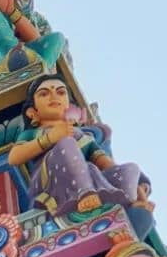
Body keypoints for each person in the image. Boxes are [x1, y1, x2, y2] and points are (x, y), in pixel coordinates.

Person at [8, 74, 148, 220]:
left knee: (131, 167)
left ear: (70, 106)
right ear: (32, 112)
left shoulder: (84, 137)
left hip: (91, 180)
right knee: (66, 144)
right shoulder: (32, 133)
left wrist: (134, 182)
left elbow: (106, 165)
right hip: (52, 184)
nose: (53, 96)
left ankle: (126, 203)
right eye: (44, 94)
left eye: (61, 92)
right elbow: (14, 158)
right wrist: (49, 138)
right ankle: (84, 193)